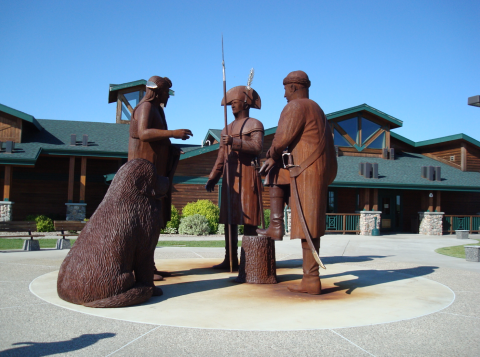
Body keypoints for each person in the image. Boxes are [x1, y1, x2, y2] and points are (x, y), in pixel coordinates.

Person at [257, 71, 337, 294]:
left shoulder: (295, 107)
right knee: (275, 175)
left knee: (308, 225)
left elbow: (282, 138)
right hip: (313, 170)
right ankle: (276, 226)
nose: (284, 95)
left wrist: (270, 154)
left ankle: (311, 279)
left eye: (285, 89)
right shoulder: (318, 109)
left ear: (293, 87)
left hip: (306, 172)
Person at [129, 75, 193, 280]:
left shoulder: (157, 109)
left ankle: (148, 266)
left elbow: (157, 139)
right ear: (156, 91)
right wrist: (173, 133)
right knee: (143, 220)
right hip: (144, 174)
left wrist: (171, 148)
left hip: (155, 173)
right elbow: (144, 133)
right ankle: (137, 269)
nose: (168, 96)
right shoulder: (145, 107)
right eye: (166, 92)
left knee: (153, 221)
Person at [206, 85, 264, 270]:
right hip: (231, 178)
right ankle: (230, 258)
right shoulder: (227, 128)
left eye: (235, 102)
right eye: (230, 103)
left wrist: (235, 141)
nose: (231, 106)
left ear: (245, 103)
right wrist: (213, 177)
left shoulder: (254, 124)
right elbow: (221, 156)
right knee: (230, 219)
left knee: (249, 220)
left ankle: (250, 260)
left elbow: (256, 148)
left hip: (247, 175)